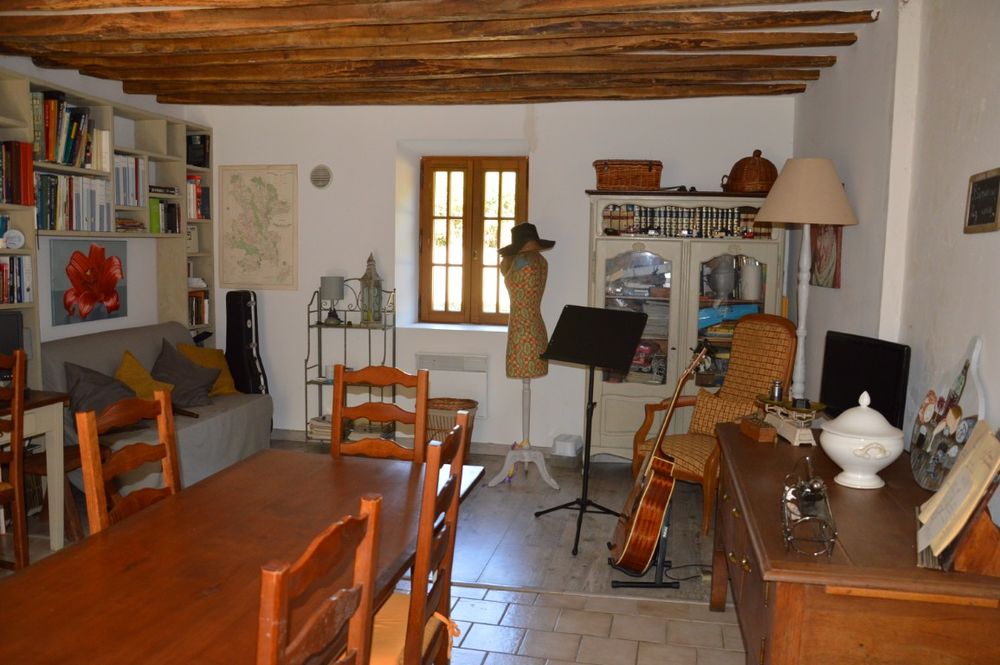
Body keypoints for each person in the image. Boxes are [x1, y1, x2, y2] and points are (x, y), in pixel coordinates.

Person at [499, 223, 556, 379]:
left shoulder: (520, 262)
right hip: (537, 328)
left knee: (523, 374)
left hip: (521, 333)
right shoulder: (542, 261)